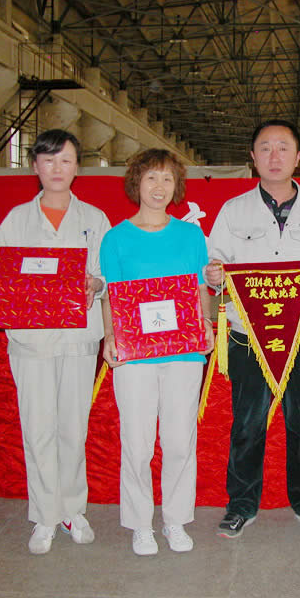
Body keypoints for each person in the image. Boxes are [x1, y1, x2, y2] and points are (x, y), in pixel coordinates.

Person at [205, 119, 300, 538]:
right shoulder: (233, 211)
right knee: (247, 423)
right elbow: (214, 267)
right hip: (246, 333)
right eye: (265, 148)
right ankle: (241, 504)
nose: (274, 156)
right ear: (253, 157)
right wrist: (213, 275)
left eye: (283, 147)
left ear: (298, 157)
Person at [0, 129, 111, 555]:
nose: (57, 168)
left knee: (72, 429)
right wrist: (9, 289)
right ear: (35, 166)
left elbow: (109, 275)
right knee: (37, 428)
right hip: (31, 341)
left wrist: (96, 283)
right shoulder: (17, 220)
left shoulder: (94, 219)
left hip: (78, 338)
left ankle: (73, 510)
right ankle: (44, 515)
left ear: (77, 167)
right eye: (49, 160)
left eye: (66, 160)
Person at [100, 149, 214, 556]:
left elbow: (198, 287)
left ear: (176, 186)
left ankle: (175, 520)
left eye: (167, 178)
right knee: (138, 442)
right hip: (135, 355)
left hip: (184, 353)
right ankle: (140, 524)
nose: (159, 187)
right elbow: (111, 295)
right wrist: (110, 336)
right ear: (137, 183)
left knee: (180, 440)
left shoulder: (191, 236)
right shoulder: (115, 238)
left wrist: (206, 324)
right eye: (151, 178)